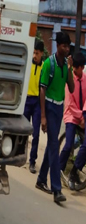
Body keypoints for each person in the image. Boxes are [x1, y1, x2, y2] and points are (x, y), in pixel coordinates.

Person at [35, 32, 75, 203]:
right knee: (53, 145)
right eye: (64, 46)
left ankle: (41, 179)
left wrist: (70, 69)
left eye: (68, 46)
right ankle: (57, 189)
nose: (67, 49)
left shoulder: (66, 65)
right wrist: (43, 116)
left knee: (52, 144)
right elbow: (42, 89)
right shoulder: (48, 64)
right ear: (57, 46)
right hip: (49, 107)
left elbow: (71, 88)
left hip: (59, 107)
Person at [59, 52, 86, 190]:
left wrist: (83, 115)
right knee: (68, 144)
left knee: (83, 145)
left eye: (76, 68)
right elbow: (69, 104)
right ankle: (59, 168)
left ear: (82, 67)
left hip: (83, 115)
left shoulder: (85, 79)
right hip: (71, 115)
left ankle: (75, 170)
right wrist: (80, 117)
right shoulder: (70, 79)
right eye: (73, 67)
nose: (74, 70)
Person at [24, 40, 44, 174]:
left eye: (37, 53)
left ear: (41, 53)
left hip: (37, 102)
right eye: (33, 53)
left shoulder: (44, 68)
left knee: (35, 134)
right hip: (26, 100)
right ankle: (19, 155)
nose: (34, 55)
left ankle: (32, 161)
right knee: (23, 132)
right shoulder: (28, 65)